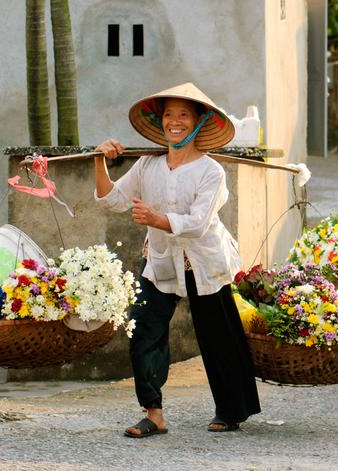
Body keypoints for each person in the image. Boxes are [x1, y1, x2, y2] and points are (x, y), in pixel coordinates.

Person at [93, 83, 261, 436]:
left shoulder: (211, 172)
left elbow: (198, 224)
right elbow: (113, 200)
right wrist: (99, 161)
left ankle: (231, 410)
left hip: (204, 263)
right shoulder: (147, 164)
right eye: (168, 114)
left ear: (199, 122)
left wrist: (155, 219)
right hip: (161, 262)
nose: (175, 121)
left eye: (184, 114)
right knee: (142, 331)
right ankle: (153, 413)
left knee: (218, 337)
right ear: (160, 121)